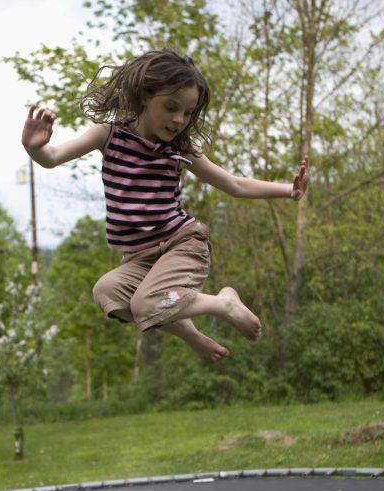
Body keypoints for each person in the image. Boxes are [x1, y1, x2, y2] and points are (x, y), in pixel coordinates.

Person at [21, 48, 308, 362]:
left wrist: (287, 190)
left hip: (182, 245)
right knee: (108, 293)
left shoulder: (179, 148)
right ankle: (191, 334)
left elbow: (234, 184)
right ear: (145, 96)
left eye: (187, 113)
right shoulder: (109, 135)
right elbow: (51, 158)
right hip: (139, 259)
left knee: (146, 303)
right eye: (171, 107)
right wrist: (35, 149)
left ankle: (223, 303)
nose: (178, 120)